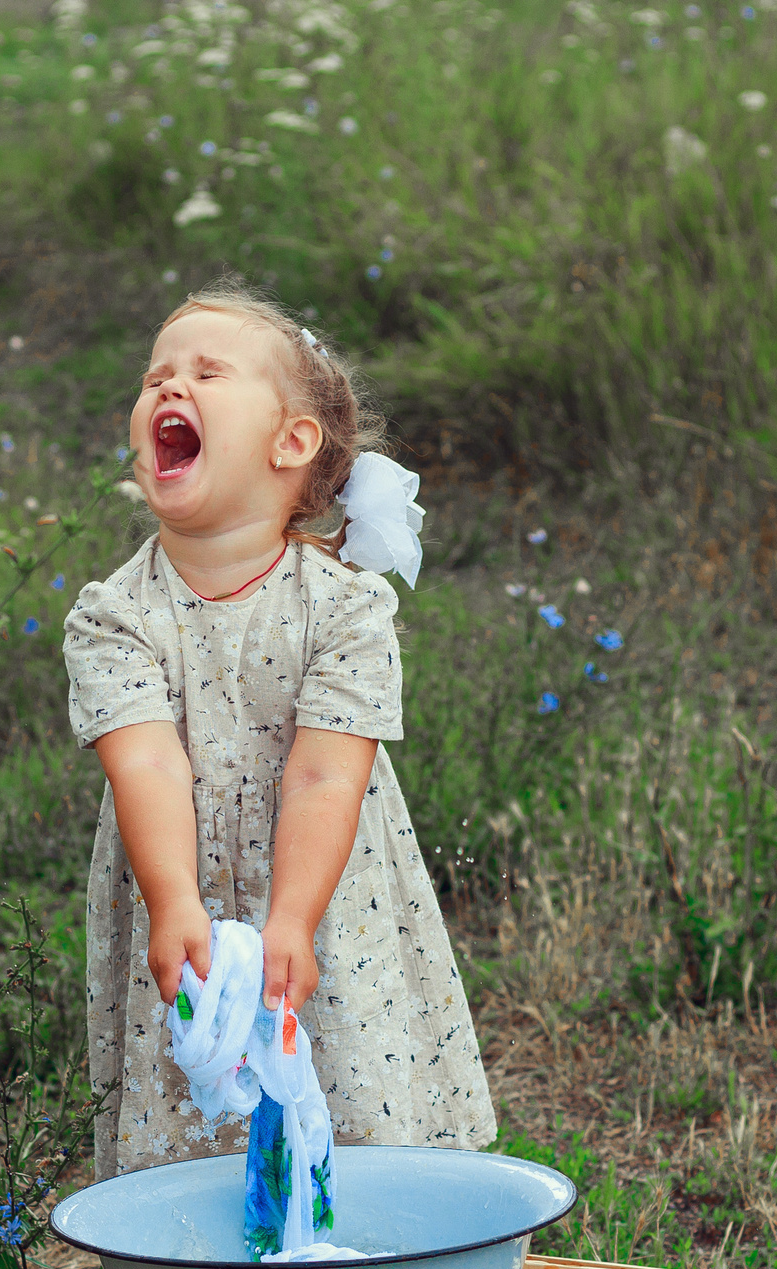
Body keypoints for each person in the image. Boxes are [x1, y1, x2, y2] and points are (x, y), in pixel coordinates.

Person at [63, 276, 497, 1190]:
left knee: (344, 1069)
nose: (169, 386)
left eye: (207, 372)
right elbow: (147, 763)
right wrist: (174, 900)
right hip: (180, 889)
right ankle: (202, 1247)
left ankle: (371, 1226)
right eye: (155, 377)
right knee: (198, 1094)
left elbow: (323, 777)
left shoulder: (344, 609)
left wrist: (292, 917)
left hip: (322, 892)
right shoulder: (115, 614)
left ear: (292, 442)